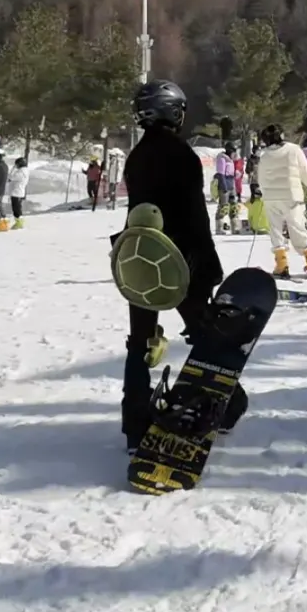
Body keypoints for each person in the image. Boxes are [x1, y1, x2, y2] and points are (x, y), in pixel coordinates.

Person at [120, 79, 225, 446]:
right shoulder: (181, 154)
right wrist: (208, 266)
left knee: (140, 343)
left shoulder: (136, 157)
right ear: (172, 111)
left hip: (139, 259)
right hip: (180, 260)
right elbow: (194, 216)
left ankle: (134, 425)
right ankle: (220, 406)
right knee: (204, 337)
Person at [257, 125, 307, 279]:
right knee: (297, 228)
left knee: (276, 230)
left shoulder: (264, 156)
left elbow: (261, 178)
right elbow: (304, 171)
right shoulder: (293, 149)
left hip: (271, 197)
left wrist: (264, 193)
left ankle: (281, 264)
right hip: (291, 195)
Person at [214, 143, 237, 234]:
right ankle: (219, 227)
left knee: (233, 206)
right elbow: (221, 173)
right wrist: (224, 186)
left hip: (231, 184)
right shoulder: (222, 158)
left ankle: (235, 226)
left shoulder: (230, 160)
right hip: (224, 184)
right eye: (233, 152)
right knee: (223, 206)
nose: (234, 154)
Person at [10, 155, 29, 227]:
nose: (16, 165)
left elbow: (10, 178)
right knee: (17, 208)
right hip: (18, 192)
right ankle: (18, 222)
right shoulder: (24, 171)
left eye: (17, 164)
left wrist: (13, 168)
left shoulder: (21, 172)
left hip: (16, 192)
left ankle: (19, 222)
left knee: (16, 209)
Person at [105, 145, 125, 209]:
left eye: (110, 156)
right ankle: (112, 200)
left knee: (113, 191)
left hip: (115, 180)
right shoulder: (111, 162)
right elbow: (109, 171)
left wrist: (117, 179)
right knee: (111, 191)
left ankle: (113, 201)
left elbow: (119, 171)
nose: (109, 157)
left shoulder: (117, 163)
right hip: (111, 179)